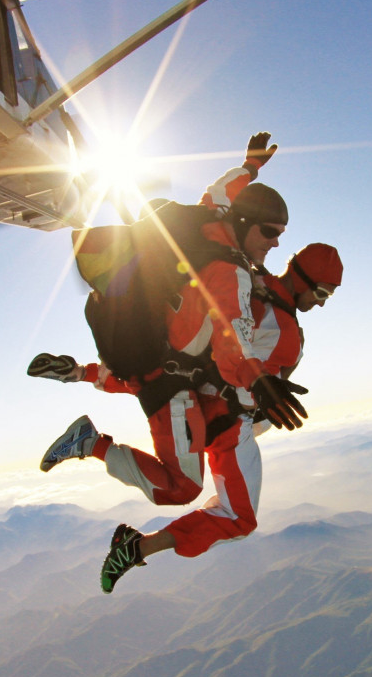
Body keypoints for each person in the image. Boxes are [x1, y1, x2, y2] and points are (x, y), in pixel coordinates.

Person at [32, 241, 343, 593]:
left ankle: (77, 373)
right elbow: (238, 377)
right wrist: (262, 394)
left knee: (160, 379)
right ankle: (98, 461)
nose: (320, 302)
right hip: (227, 424)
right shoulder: (286, 332)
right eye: (321, 292)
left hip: (188, 385)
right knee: (231, 514)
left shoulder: (247, 278)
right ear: (301, 278)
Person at [37, 132, 307, 507]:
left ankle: (76, 372)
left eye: (281, 234)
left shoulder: (211, 214)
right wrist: (258, 379)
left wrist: (251, 165)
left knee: (174, 377)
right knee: (182, 488)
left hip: (144, 338)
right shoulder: (231, 272)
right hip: (167, 380)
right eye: (270, 232)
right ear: (246, 222)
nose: (275, 243)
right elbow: (233, 338)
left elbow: (222, 189)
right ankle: (89, 442)